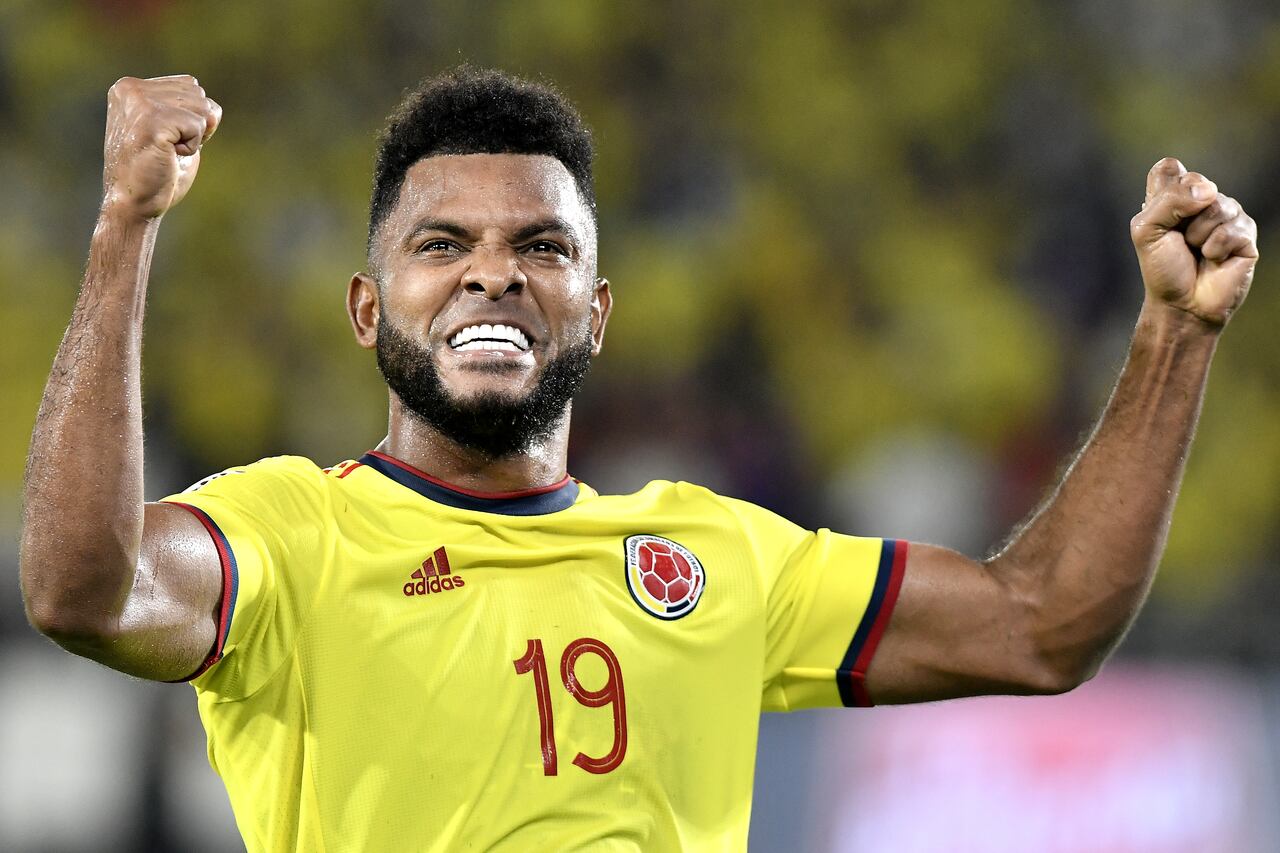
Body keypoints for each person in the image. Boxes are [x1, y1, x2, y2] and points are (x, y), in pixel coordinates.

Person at [19, 67, 1258, 851]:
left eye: (542, 247)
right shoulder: (290, 535)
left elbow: (1040, 625)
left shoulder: (715, 557)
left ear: (597, 310)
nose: (493, 272)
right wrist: (126, 223)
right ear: (365, 308)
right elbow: (80, 590)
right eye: (441, 244)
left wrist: (1175, 331)